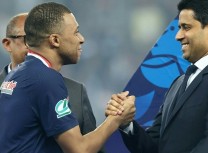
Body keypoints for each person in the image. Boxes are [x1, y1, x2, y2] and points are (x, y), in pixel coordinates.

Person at [106, 0, 208, 152]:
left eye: (186, 27)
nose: (178, 36)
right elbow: (154, 146)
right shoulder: (177, 83)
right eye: (179, 28)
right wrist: (127, 123)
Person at [0, 2, 135, 153]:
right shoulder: (46, 78)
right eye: (76, 32)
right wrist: (116, 119)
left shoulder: (16, 75)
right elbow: (79, 150)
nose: (81, 39)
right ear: (55, 40)